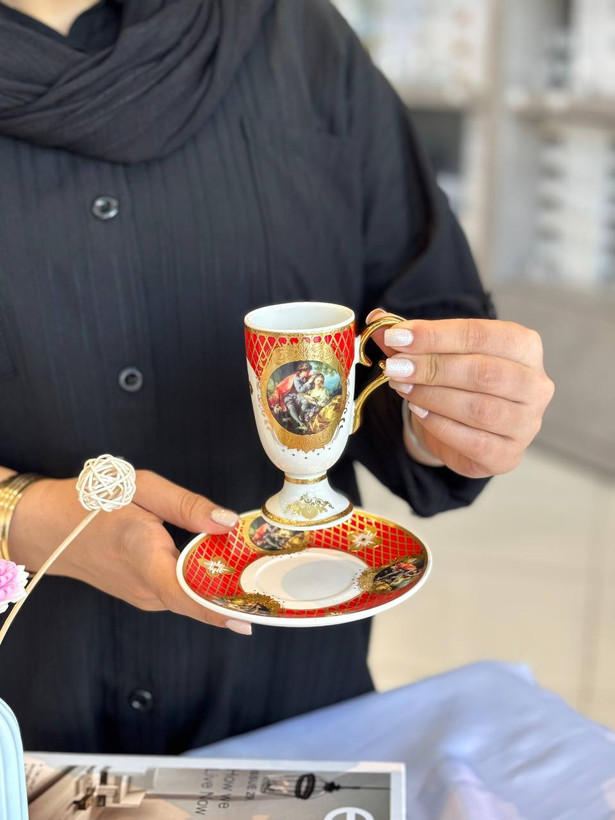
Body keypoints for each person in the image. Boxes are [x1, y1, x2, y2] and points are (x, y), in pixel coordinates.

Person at [0, 0, 554, 756]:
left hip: (294, 713)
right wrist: (22, 517)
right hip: (22, 722)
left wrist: (453, 410)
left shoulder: (299, 43)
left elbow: (412, 323)